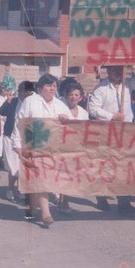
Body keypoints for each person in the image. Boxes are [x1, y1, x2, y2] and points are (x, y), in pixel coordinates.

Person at [88, 65, 135, 213]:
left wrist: (133, 66)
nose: (116, 72)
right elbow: (93, 108)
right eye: (113, 70)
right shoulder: (101, 88)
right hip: (107, 132)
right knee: (106, 166)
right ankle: (101, 198)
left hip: (126, 133)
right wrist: (111, 116)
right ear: (108, 71)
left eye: (119, 69)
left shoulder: (128, 84)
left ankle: (124, 202)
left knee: (124, 167)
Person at [14, 73, 72, 227]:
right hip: (33, 145)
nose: (51, 88)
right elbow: (19, 122)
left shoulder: (60, 104)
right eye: (48, 85)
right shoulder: (30, 101)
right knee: (41, 178)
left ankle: (32, 208)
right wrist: (17, 144)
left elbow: (72, 123)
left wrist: (65, 119)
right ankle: (46, 213)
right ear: (40, 88)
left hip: (53, 149)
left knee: (39, 180)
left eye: (54, 86)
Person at [0, 81, 34, 201]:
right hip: (10, 137)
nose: (26, 94)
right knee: (13, 167)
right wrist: (8, 101)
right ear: (18, 92)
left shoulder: (32, 103)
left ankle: (20, 189)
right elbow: (1, 112)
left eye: (29, 92)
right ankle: (10, 189)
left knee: (22, 166)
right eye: (23, 91)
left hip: (25, 138)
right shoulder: (13, 102)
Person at [58, 81, 89, 213]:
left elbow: (86, 130)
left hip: (76, 146)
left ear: (81, 97)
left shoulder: (83, 113)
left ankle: (62, 197)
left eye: (76, 95)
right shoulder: (60, 108)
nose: (73, 97)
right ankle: (64, 201)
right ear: (66, 96)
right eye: (71, 94)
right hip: (61, 145)